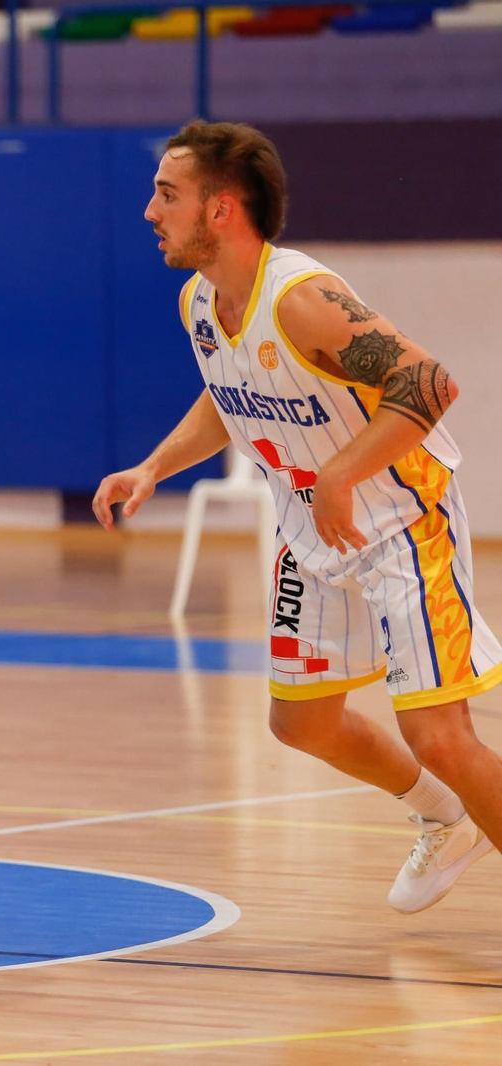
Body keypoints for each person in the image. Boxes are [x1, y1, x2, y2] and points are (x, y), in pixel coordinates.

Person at [95, 120, 502, 915]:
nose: (150, 211)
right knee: (302, 724)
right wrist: (152, 467)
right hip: (313, 529)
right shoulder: (200, 302)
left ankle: (454, 796)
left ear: (221, 209)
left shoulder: (301, 298)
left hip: (402, 521)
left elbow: (429, 383)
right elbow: (228, 393)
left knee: (440, 736)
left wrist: (342, 473)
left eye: (167, 194)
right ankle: (444, 818)